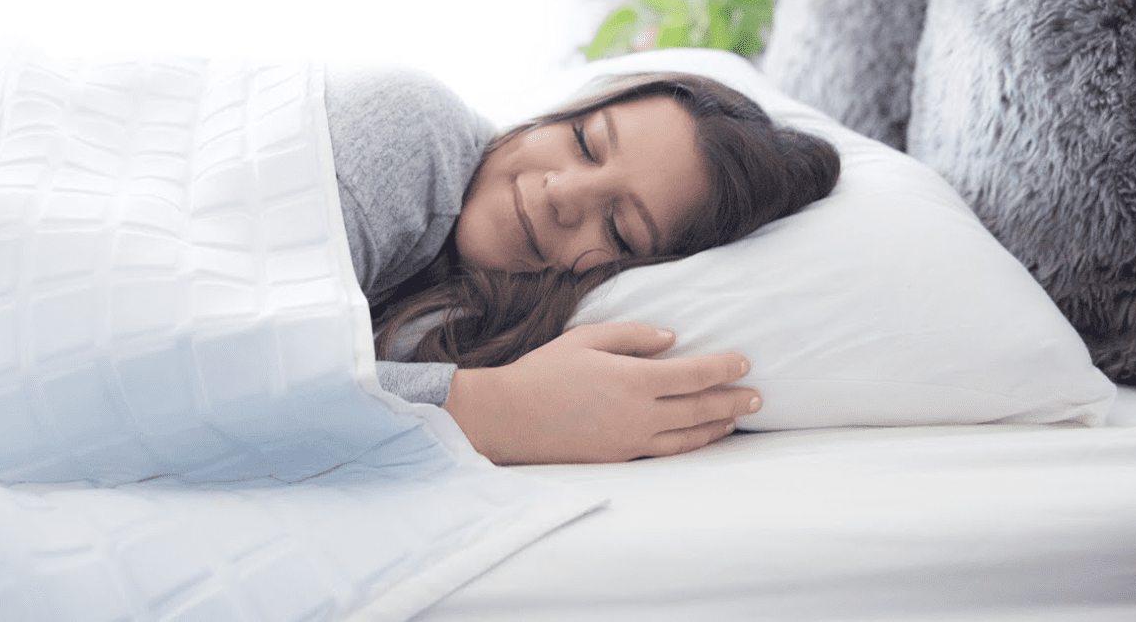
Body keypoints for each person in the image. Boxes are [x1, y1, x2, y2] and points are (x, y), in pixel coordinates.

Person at [325, 67, 841, 465]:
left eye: (618, 229)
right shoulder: (410, 131)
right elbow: (248, 374)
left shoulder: (464, 309)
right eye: (584, 142)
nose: (563, 193)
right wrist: (501, 411)